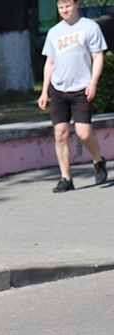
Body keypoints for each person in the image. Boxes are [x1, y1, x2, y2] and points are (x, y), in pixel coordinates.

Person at [38, 0, 108, 193]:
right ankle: (66, 178)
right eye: (61, 7)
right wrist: (44, 91)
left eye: (68, 6)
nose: (64, 10)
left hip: (81, 89)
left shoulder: (89, 27)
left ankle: (98, 160)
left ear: (76, 5)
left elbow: (98, 57)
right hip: (59, 90)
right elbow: (49, 63)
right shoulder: (54, 32)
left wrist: (93, 83)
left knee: (83, 133)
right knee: (60, 134)